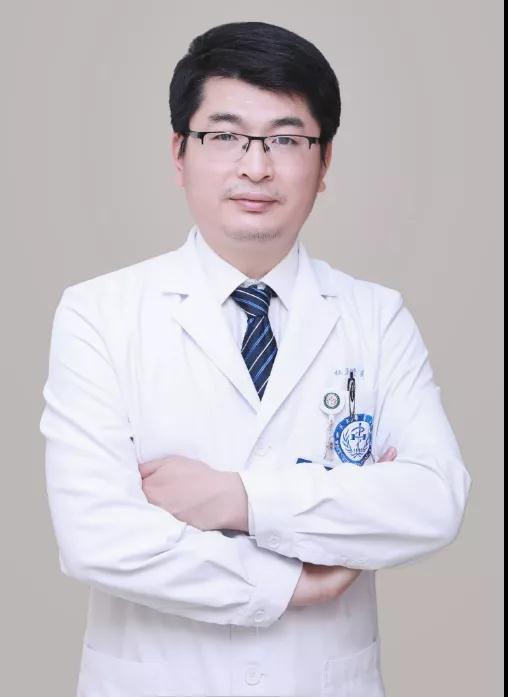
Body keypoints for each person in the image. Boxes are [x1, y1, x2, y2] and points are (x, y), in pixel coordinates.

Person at [40, 21, 472, 697]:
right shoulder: (99, 313)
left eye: (286, 139)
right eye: (225, 136)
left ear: (324, 164)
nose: (256, 167)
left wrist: (241, 499)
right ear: (179, 152)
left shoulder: (375, 317)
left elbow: (432, 500)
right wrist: (289, 581)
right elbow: (96, 536)